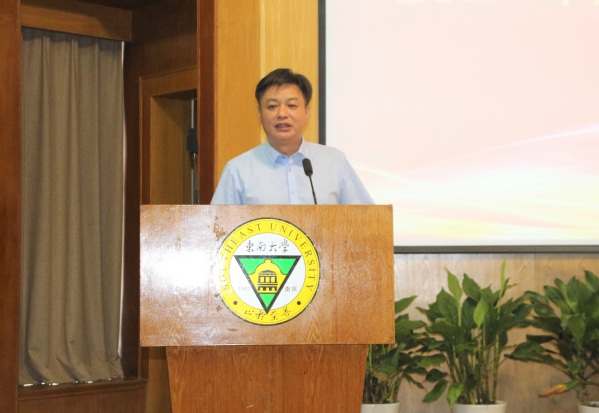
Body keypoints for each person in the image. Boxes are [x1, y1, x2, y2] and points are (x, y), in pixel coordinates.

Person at [210, 68, 374, 205]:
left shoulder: (334, 162)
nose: (282, 114)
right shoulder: (238, 170)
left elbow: (366, 220)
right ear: (259, 113)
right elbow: (218, 229)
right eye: (272, 106)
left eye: (292, 105)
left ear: (307, 112)